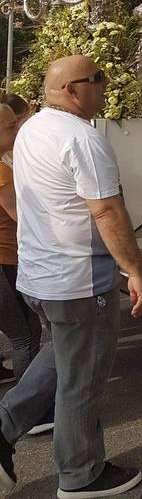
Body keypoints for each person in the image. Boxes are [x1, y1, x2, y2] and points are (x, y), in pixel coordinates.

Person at [0, 56, 142, 498]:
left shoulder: (32, 129)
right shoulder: (82, 138)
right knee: (81, 379)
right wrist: (135, 267)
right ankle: (80, 474)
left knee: (62, 359)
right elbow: (105, 209)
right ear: (71, 89)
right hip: (78, 281)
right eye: (97, 79)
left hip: (40, 278)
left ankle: (3, 428)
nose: (105, 85)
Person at [0, 96, 45, 414]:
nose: (18, 131)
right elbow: (19, 214)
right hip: (5, 261)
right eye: (11, 126)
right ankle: (32, 411)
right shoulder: (1, 170)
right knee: (26, 334)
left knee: (25, 332)